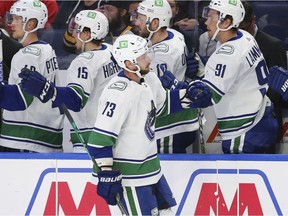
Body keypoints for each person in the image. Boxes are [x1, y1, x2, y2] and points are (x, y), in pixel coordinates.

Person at [86, 34, 191, 215]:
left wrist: (190, 97)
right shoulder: (117, 93)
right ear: (128, 63)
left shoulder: (148, 78)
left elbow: (163, 104)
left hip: (151, 169)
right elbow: (99, 140)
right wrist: (106, 173)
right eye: (142, 56)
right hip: (131, 176)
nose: (148, 59)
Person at [19, 10, 121, 153]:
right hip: (114, 134)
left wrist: (46, 89)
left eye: (77, 30)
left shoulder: (83, 62)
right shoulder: (112, 52)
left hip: (90, 140)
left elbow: (75, 100)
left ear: (88, 34)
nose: (73, 35)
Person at [184, 0, 278, 153]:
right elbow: (236, 71)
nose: (206, 21)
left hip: (245, 130)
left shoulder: (226, 55)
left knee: (240, 176)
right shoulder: (245, 37)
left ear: (226, 22)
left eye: (211, 17)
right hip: (263, 116)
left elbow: (205, 97)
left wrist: (182, 86)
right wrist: (206, 68)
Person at [135, 0, 200, 153]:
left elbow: (153, 95)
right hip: (180, 120)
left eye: (141, 19)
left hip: (169, 126)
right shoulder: (175, 35)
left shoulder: (161, 56)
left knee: (169, 170)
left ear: (155, 23)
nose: (136, 22)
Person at [0, 0, 64, 152]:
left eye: (16, 19)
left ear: (30, 24)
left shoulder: (27, 55)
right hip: (45, 136)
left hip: (24, 139)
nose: (11, 24)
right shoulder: (47, 49)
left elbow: (21, 99)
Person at [239, 1, 288, 153]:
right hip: (236, 122)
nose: (238, 33)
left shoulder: (272, 45)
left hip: (264, 123)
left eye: (242, 27)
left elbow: (279, 87)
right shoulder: (225, 44)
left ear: (252, 20)